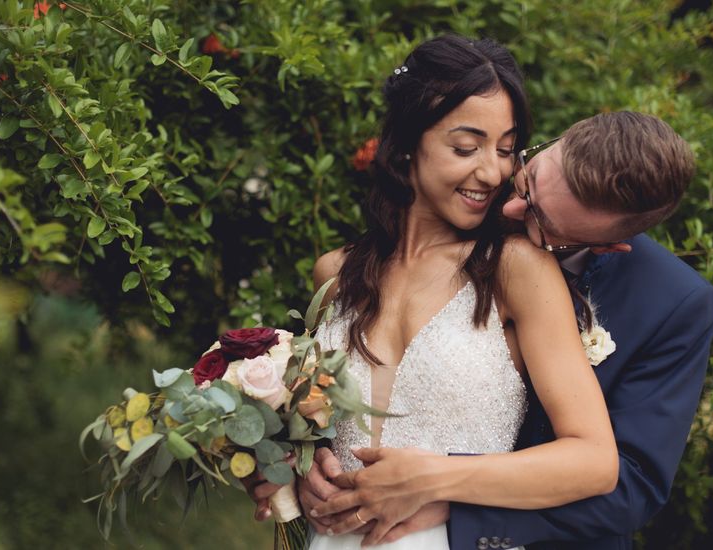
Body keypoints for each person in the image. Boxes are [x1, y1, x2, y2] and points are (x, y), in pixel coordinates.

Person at [251, 34, 620, 550]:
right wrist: (298, 470)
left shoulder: (516, 270)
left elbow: (594, 461)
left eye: (506, 149)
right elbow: (318, 429)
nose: (491, 172)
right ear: (406, 145)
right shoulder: (335, 274)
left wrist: (435, 478)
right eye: (465, 148)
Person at [300, 112, 713, 549]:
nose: (510, 208)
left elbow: (632, 485)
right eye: (527, 180)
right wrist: (309, 460)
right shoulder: (480, 188)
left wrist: (451, 499)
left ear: (608, 244)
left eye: (543, 223)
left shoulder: (674, 303)